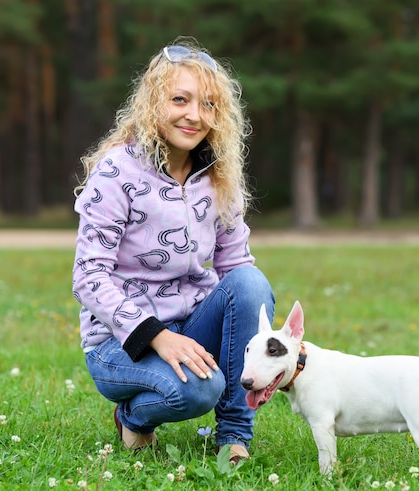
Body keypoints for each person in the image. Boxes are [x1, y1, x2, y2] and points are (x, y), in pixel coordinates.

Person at [71, 37, 274, 463]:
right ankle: (133, 418)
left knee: (251, 281)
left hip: (192, 326)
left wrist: (269, 344)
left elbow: (238, 270)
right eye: (180, 99)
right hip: (119, 342)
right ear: (153, 101)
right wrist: (157, 337)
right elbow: (89, 277)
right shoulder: (116, 170)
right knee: (201, 388)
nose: (194, 115)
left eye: (208, 105)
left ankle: (234, 436)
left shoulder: (219, 176)